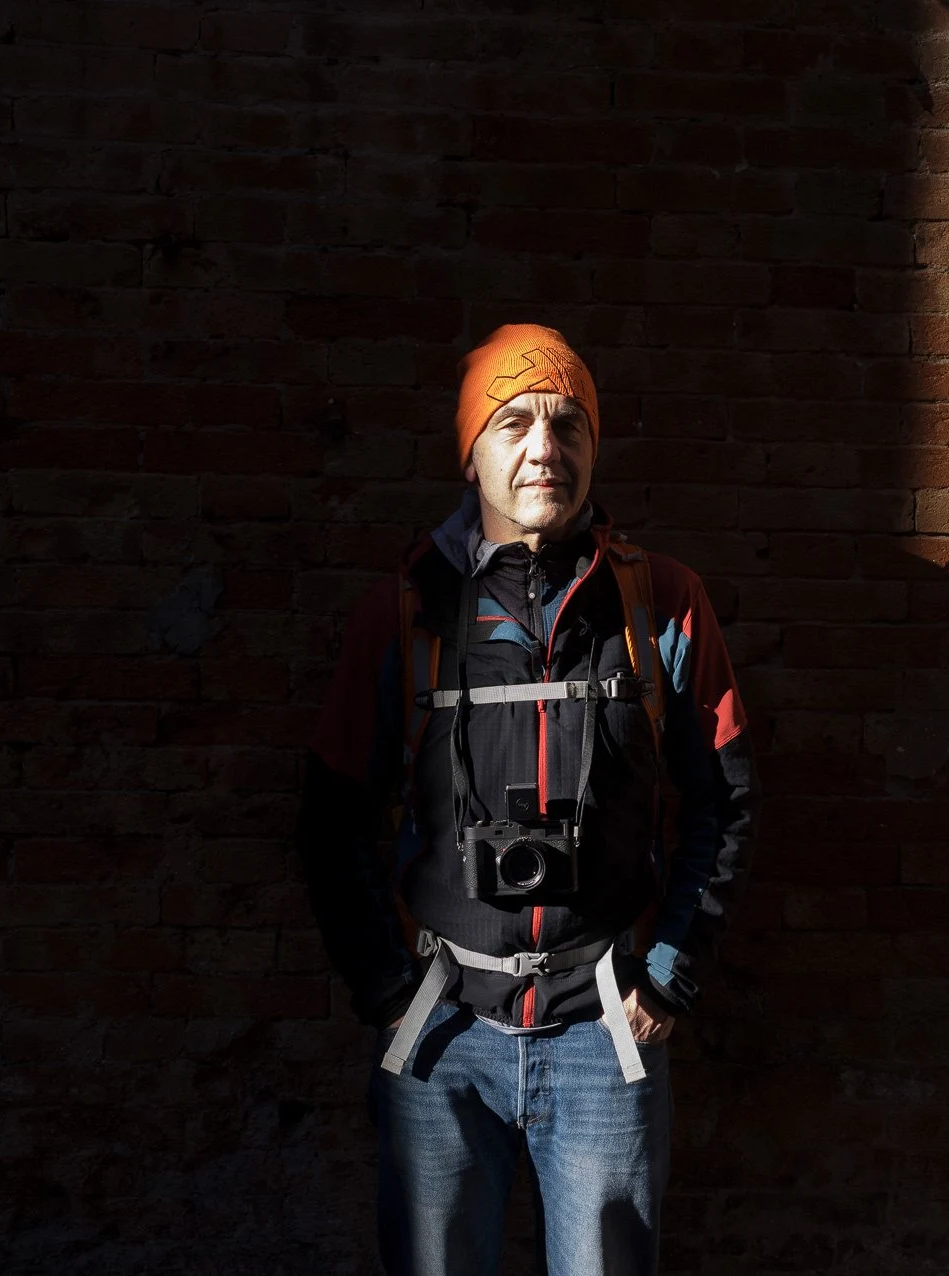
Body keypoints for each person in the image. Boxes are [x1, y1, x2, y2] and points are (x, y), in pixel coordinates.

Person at [298, 324, 757, 1276]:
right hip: (441, 1028)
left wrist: (668, 975)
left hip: (605, 1030)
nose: (545, 448)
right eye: (513, 424)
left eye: (567, 424)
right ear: (470, 453)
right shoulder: (406, 612)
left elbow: (726, 802)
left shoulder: (661, 606)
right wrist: (384, 988)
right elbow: (332, 814)